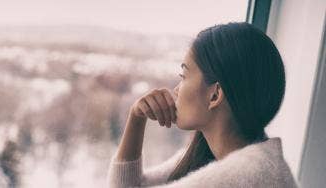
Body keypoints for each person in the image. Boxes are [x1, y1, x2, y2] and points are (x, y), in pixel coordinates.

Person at [107, 22, 298, 188]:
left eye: (183, 77)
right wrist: (137, 117)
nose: (176, 90)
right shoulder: (240, 155)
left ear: (215, 94)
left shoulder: (245, 175)